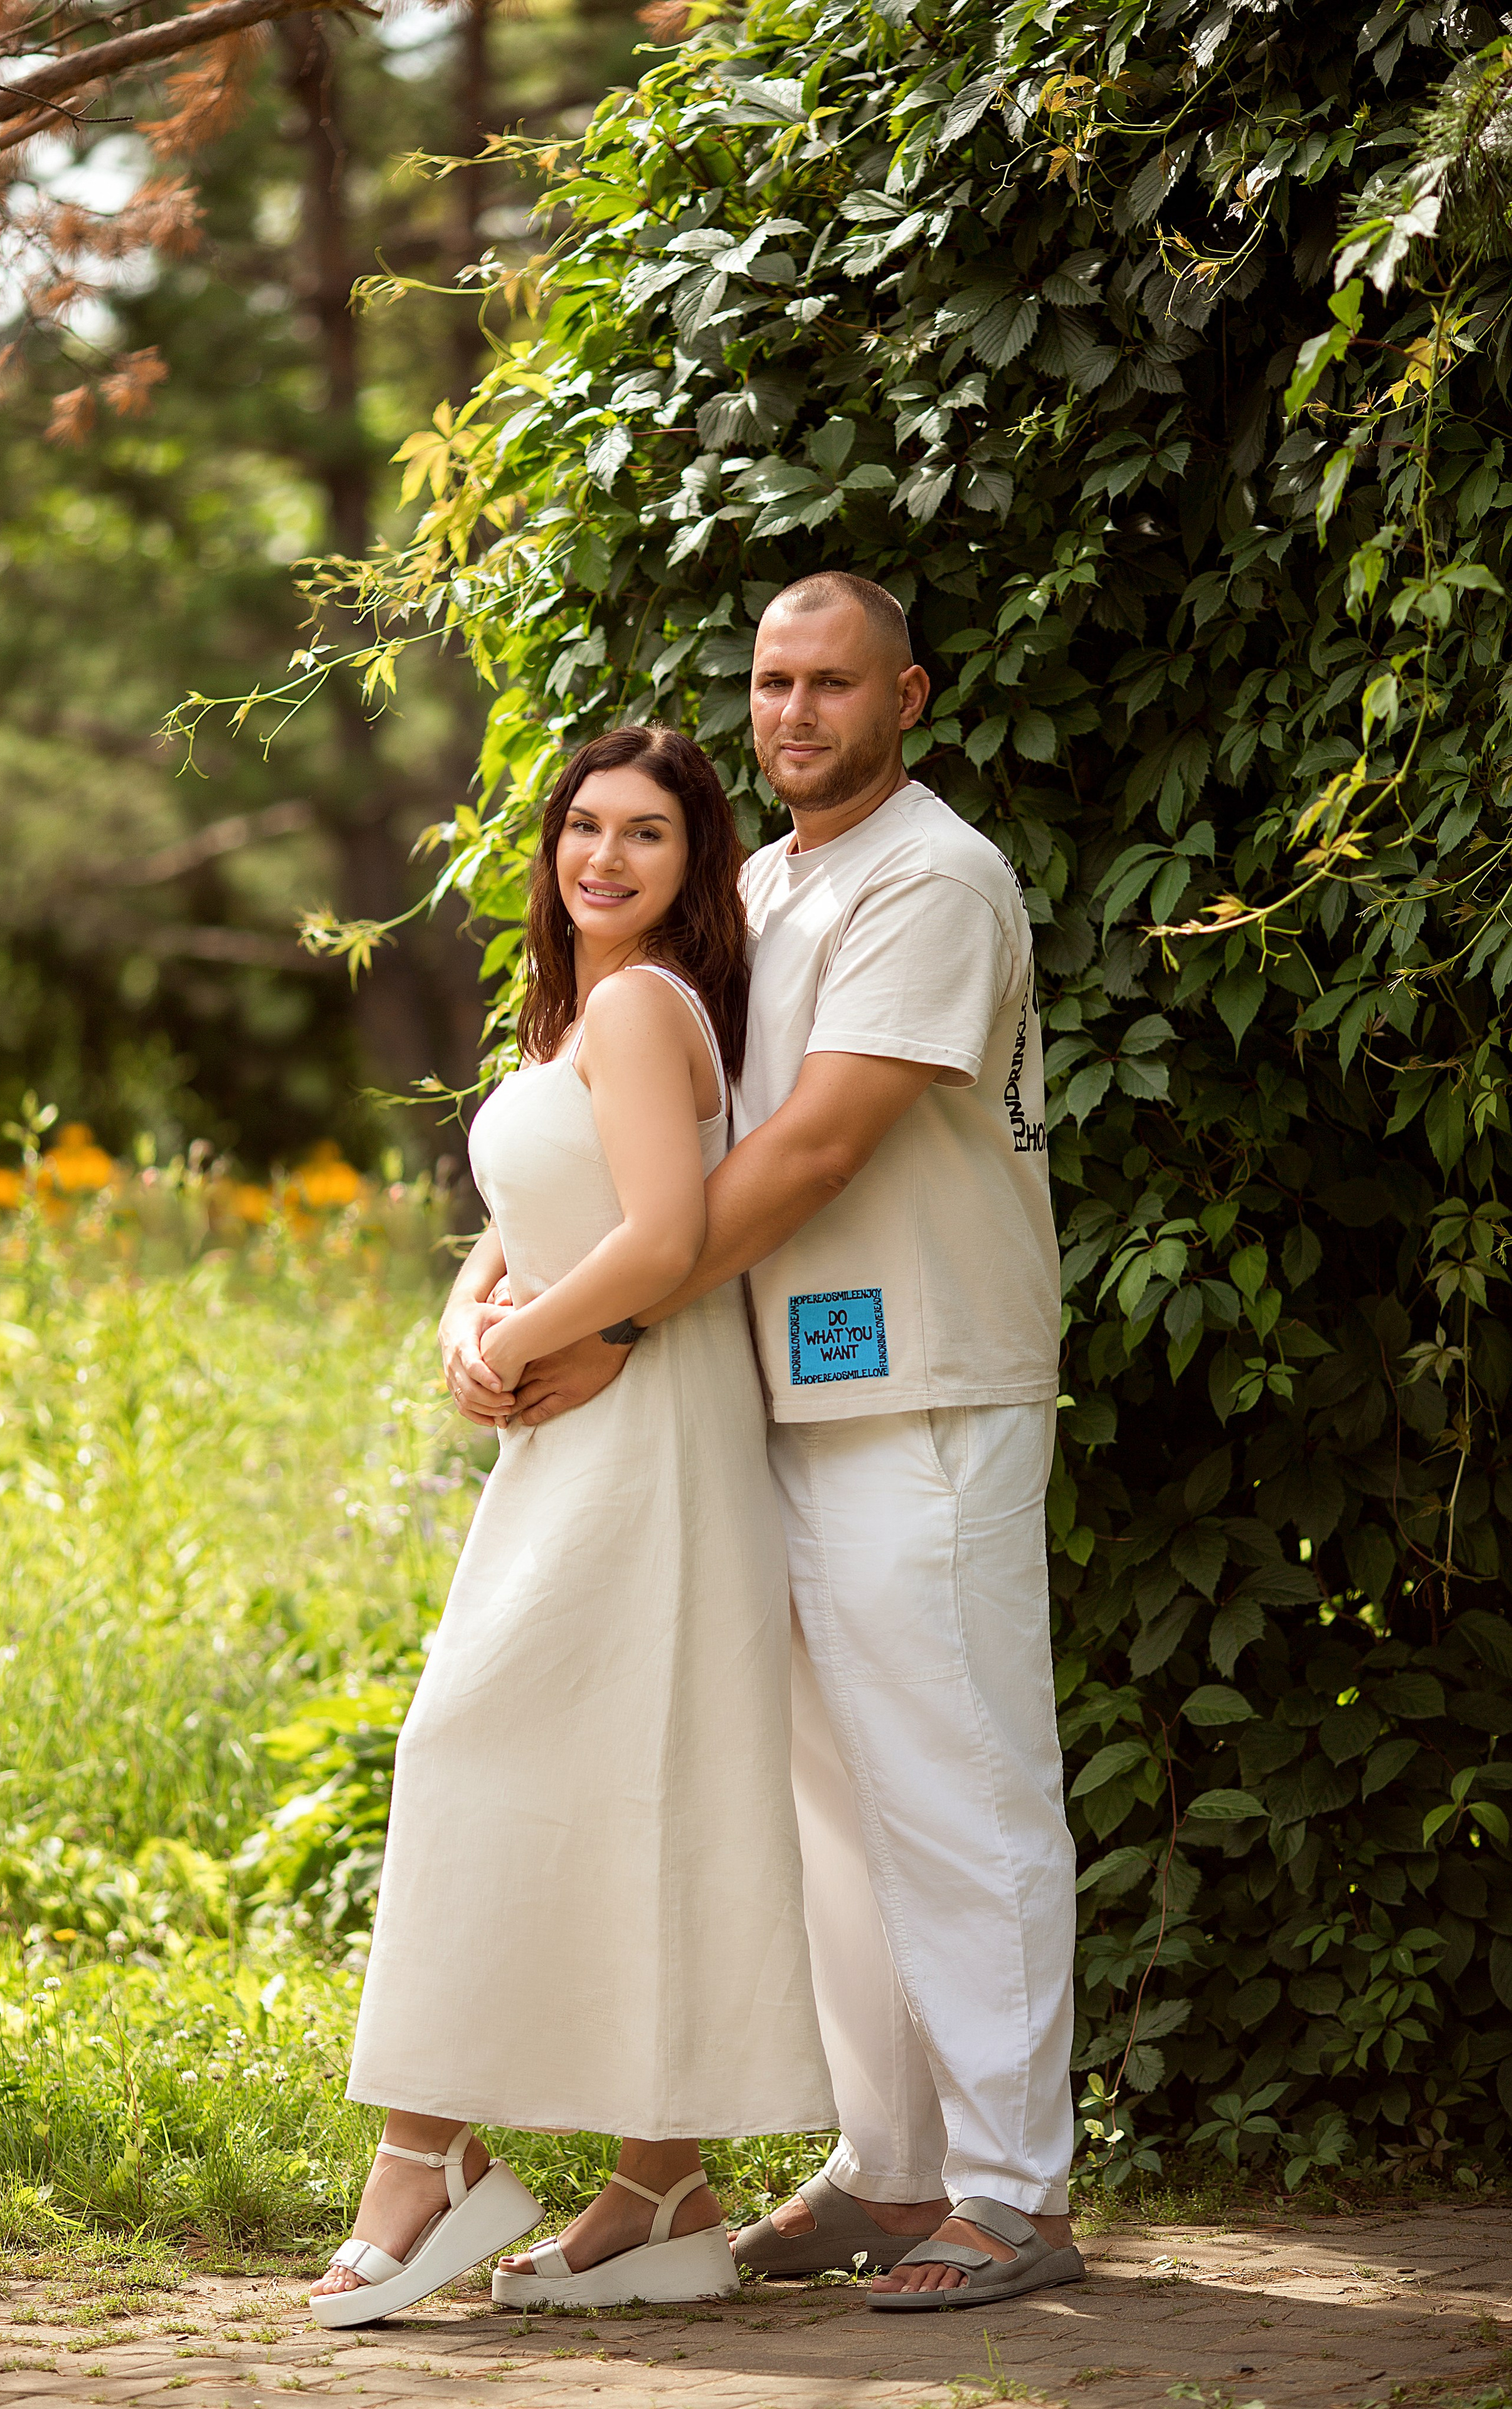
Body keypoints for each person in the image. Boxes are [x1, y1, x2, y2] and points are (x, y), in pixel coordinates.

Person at [444, 573, 1081, 2313]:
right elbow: (622, 1134)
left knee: (959, 1784)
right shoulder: (758, 887)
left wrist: (613, 1319)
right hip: (767, 1393)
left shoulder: (932, 877)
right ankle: (891, 2169)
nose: (794, 712)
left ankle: (1014, 2191)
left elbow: (811, 1151)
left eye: (832, 683)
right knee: (835, 1813)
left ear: (908, 698)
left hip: (920, 1389)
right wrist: (496, 1290)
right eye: (772, 681)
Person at [311, 724, 834, 2331]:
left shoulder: (641, 1003)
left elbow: (666, 1236)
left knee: (473, 1745)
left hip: (648, 1430)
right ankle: (659, 2191)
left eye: (646, 834)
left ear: (695, 865)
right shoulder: (573, 1012)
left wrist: (527, 1341)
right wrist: (466, 1319)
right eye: (584, 826)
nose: (604, 857)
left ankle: (428, 2157)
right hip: (587, 1429)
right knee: (631, 1779)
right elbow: (539, 1219)